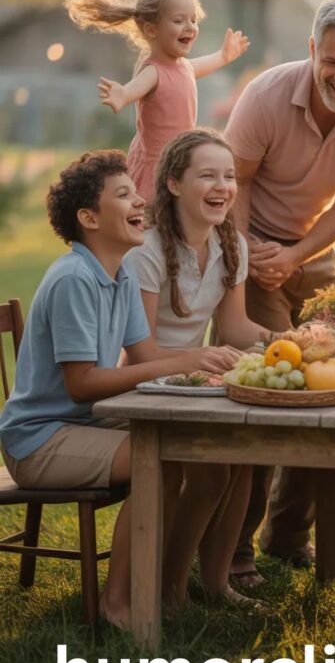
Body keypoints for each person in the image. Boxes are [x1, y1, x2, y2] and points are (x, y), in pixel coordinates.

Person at [0, 151, 235, 628]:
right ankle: (120, 604)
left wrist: (203, 373)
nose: (140, 200)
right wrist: (188, 359)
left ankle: (165, 587)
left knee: (201, 447)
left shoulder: (122, 269)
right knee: (159, 458)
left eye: (136, 190)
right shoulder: (73, 278)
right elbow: (83, 383)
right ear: (89, 218)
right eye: (124, 194)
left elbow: (145, 356)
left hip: (82, 423)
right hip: (39, 439)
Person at [224, 0, 335, 586]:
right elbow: (234, 182)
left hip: (315, 249)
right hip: (248, 241)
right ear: (312, 51)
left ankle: (288, 535)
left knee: (330, 384)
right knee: (265, 393)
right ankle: (235, 551)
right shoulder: (266, 96)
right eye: (333, 62)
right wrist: (251, 255)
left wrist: (298, 254)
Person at [124, 128, 273, 607]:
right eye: (207, 176)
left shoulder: (233, 246)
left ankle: (214, 582)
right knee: (211, 471)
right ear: (172, 184)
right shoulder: (144, 250)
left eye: (229, 177)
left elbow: (233, 329)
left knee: (243, 455)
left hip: (194, 381)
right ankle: (169, 587)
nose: (223, 187)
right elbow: (141, 353)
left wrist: (285, 341)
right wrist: (197, 359)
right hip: (142, 387)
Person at [65, 0, 249, 203]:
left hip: (179, 159)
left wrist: (223, 56)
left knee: (177, 213)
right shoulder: (153, 70)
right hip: (157, 164)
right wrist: (122, 95)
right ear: (152, 30)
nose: (190, 27)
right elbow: (136, 88)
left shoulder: (181, 66)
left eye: (193, 20)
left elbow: (198, 67)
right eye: (179, 21)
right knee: (152, 217)